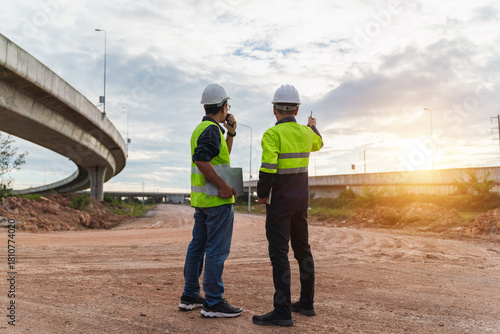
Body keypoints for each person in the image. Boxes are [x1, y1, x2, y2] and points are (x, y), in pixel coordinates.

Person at [252, 84, 324, 327]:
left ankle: (282, 310)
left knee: (279, 254)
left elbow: (268, 170)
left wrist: (262, 194)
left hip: (279, 204)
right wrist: (312, 125)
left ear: (274, 109)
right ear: (296, 108)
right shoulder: (306, 133)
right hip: (300, 204)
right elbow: (319, 143)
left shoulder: (272, 135)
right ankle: (306, 302)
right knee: (303, 250)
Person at [179, 83, 243, 318]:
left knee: (197, 248)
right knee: (216, 250)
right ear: (224, 106)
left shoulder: (204, 129)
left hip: (204, 202)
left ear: (206, 106)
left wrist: (231, 133)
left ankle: (190, 296)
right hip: (216, 202)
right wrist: (223, 186)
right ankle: (213, 302)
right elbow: (202, 160)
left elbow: (218, 157)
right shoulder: (211, 131)